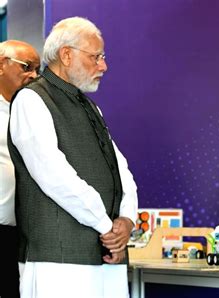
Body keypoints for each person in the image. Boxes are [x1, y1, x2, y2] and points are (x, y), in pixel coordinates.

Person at [7, 17, 138, 297]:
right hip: (57, 261)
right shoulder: (32, 100)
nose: (103, 66)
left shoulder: (90, 108)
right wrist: (107, 227)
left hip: (105, 255)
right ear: (66, 55)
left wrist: (127, 220)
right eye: (96, 57)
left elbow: (121, 170)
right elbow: (54, 176)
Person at [0, 40, 40, 298]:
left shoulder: (34, 112)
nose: (34, 76)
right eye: (27, 67)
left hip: (25, 233)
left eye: (38, 69)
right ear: (1, 65)